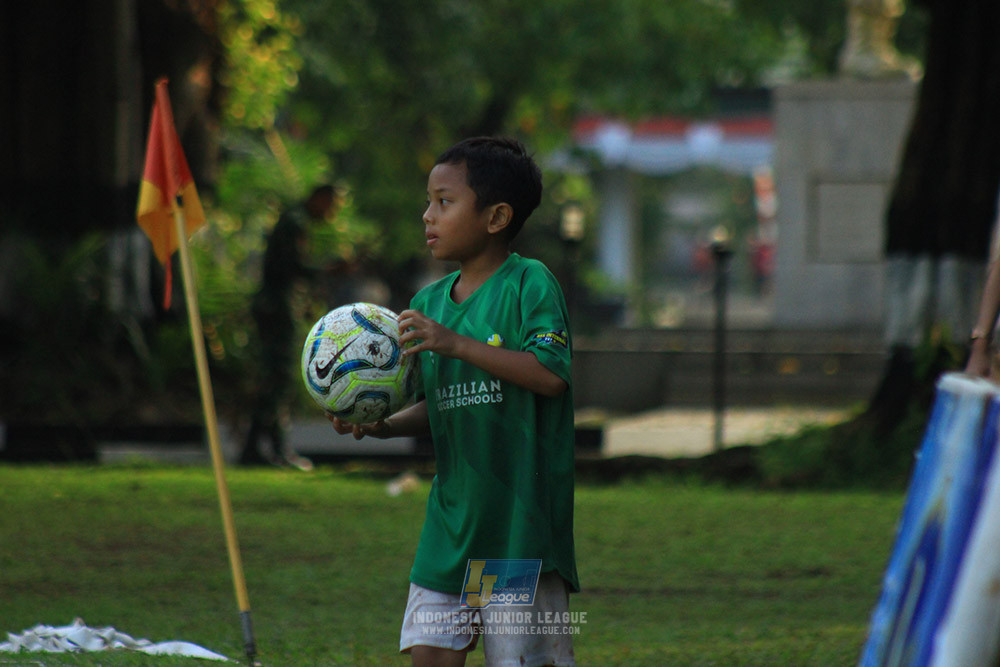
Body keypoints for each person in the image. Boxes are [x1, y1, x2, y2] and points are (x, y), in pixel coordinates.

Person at [330, 137, 579, 666]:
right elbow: (447, 401)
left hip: (514, 533)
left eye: (444, 202)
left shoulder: (529, 285)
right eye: (429, 201)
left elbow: (549, 376)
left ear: (496, 217)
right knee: (431, 657)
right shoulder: (428, 303)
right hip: (449, 527)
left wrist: (455, 343)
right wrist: (383, 424)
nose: (428, 215)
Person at [242, 185, 337, 470]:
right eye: (330, 205)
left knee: (273, 379)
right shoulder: (295, 222)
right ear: (319, 198)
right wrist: (328, 270)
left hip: (274, 307)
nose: (330, 213)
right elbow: (291, 266)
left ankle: (254, 449)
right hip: (276, 309)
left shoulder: (292, 219)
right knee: (278, 379)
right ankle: (277, 450)